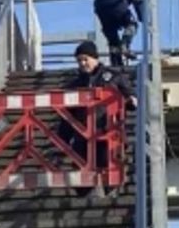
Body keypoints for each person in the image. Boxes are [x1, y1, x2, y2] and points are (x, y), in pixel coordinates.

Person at [56, 41, 136, 178]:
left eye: (85, 59)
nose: (82, 63)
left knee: (109, 173)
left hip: (108, 134)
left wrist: (131, 101)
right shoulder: (74, 86)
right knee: (81, 180)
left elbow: (130, 96)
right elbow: (68, 116)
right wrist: (62, 139)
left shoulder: (114, 77)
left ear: (95, 58)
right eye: (79, 60)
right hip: (83, 139)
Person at [93, 0, 146, 66]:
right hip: (114, 1)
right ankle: (125, 45)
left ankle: (116, 64)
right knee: (132, 24)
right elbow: (137, 0)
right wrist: (143, 17)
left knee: (113, 38)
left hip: (99, 6)